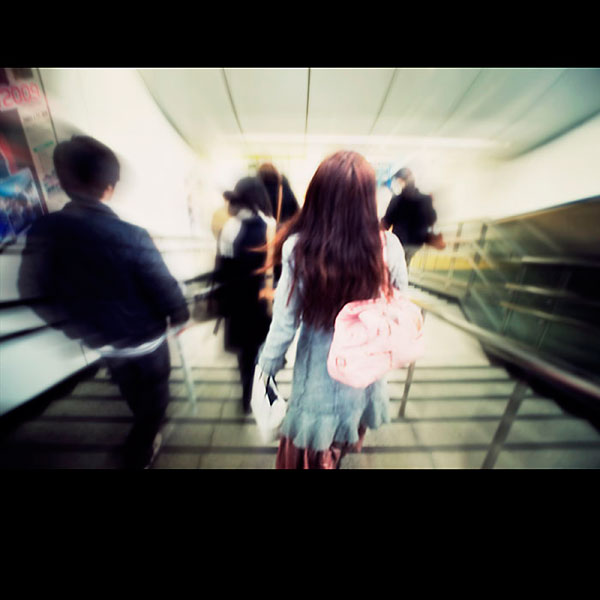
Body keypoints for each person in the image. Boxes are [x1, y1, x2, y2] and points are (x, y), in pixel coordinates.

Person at [18, 135, 189, 469]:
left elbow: (30, 288)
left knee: (129, 386)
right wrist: (180, 315)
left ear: (63, 182)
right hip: (146, 340)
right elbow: (162, 284)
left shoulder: (45, 230)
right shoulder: (131, 234)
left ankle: (141, 422)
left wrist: (73, 327)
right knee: (156, 397)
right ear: (109, 188)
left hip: (102, 341)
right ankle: (140, 448)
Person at [256, 150, 408, 469]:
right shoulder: (388, 248)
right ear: (367, 200)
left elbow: (285, 321)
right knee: (343, 441)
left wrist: (267, 365)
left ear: (317, 196)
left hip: (318, 379)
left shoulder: (300, 249)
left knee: (311, 451)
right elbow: (399, 305)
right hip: (364, 375)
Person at [214, 176, 274, 414]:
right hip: (262, 299)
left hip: (237, 301)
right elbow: (274, 268)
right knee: (264, 347)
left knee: (246, 353)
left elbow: (222, 268)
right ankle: (266, 391)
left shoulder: (229, 227)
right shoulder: (269, 225)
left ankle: (247, 395)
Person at [380, 167, 437, 267]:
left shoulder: (397, 200)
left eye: (398, 181)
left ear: (401, 181)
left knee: (397, 264)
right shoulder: (426, 199)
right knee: (405, 263)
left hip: (400, 241)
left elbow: (387, 222)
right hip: (417, 242)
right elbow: (432, 219)